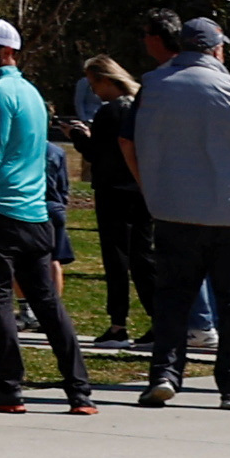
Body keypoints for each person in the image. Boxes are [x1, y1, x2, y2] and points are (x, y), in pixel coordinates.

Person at [124, 16, 230, 411]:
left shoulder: (152, 86)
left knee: (173, 299)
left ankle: (165, 375)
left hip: (174, 211)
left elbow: (127, 140)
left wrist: (150, 187)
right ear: (217, 49)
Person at [0, 19, 91, 416]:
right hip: (35, 214)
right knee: (47, 304)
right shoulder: (31, 92)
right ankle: (79, 391)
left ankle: (9, 388)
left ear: (7, 53)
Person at [72, 54, 155, 348]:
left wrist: (80, 137)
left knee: (116, 259)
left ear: (106, 80)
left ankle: (118, 324)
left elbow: (97, 153)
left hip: (112, 192)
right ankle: (159, 320)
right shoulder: (139, 106)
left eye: (94, 83)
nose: (93, 90)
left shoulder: (110, 112)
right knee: (143, 257)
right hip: (140, 190)